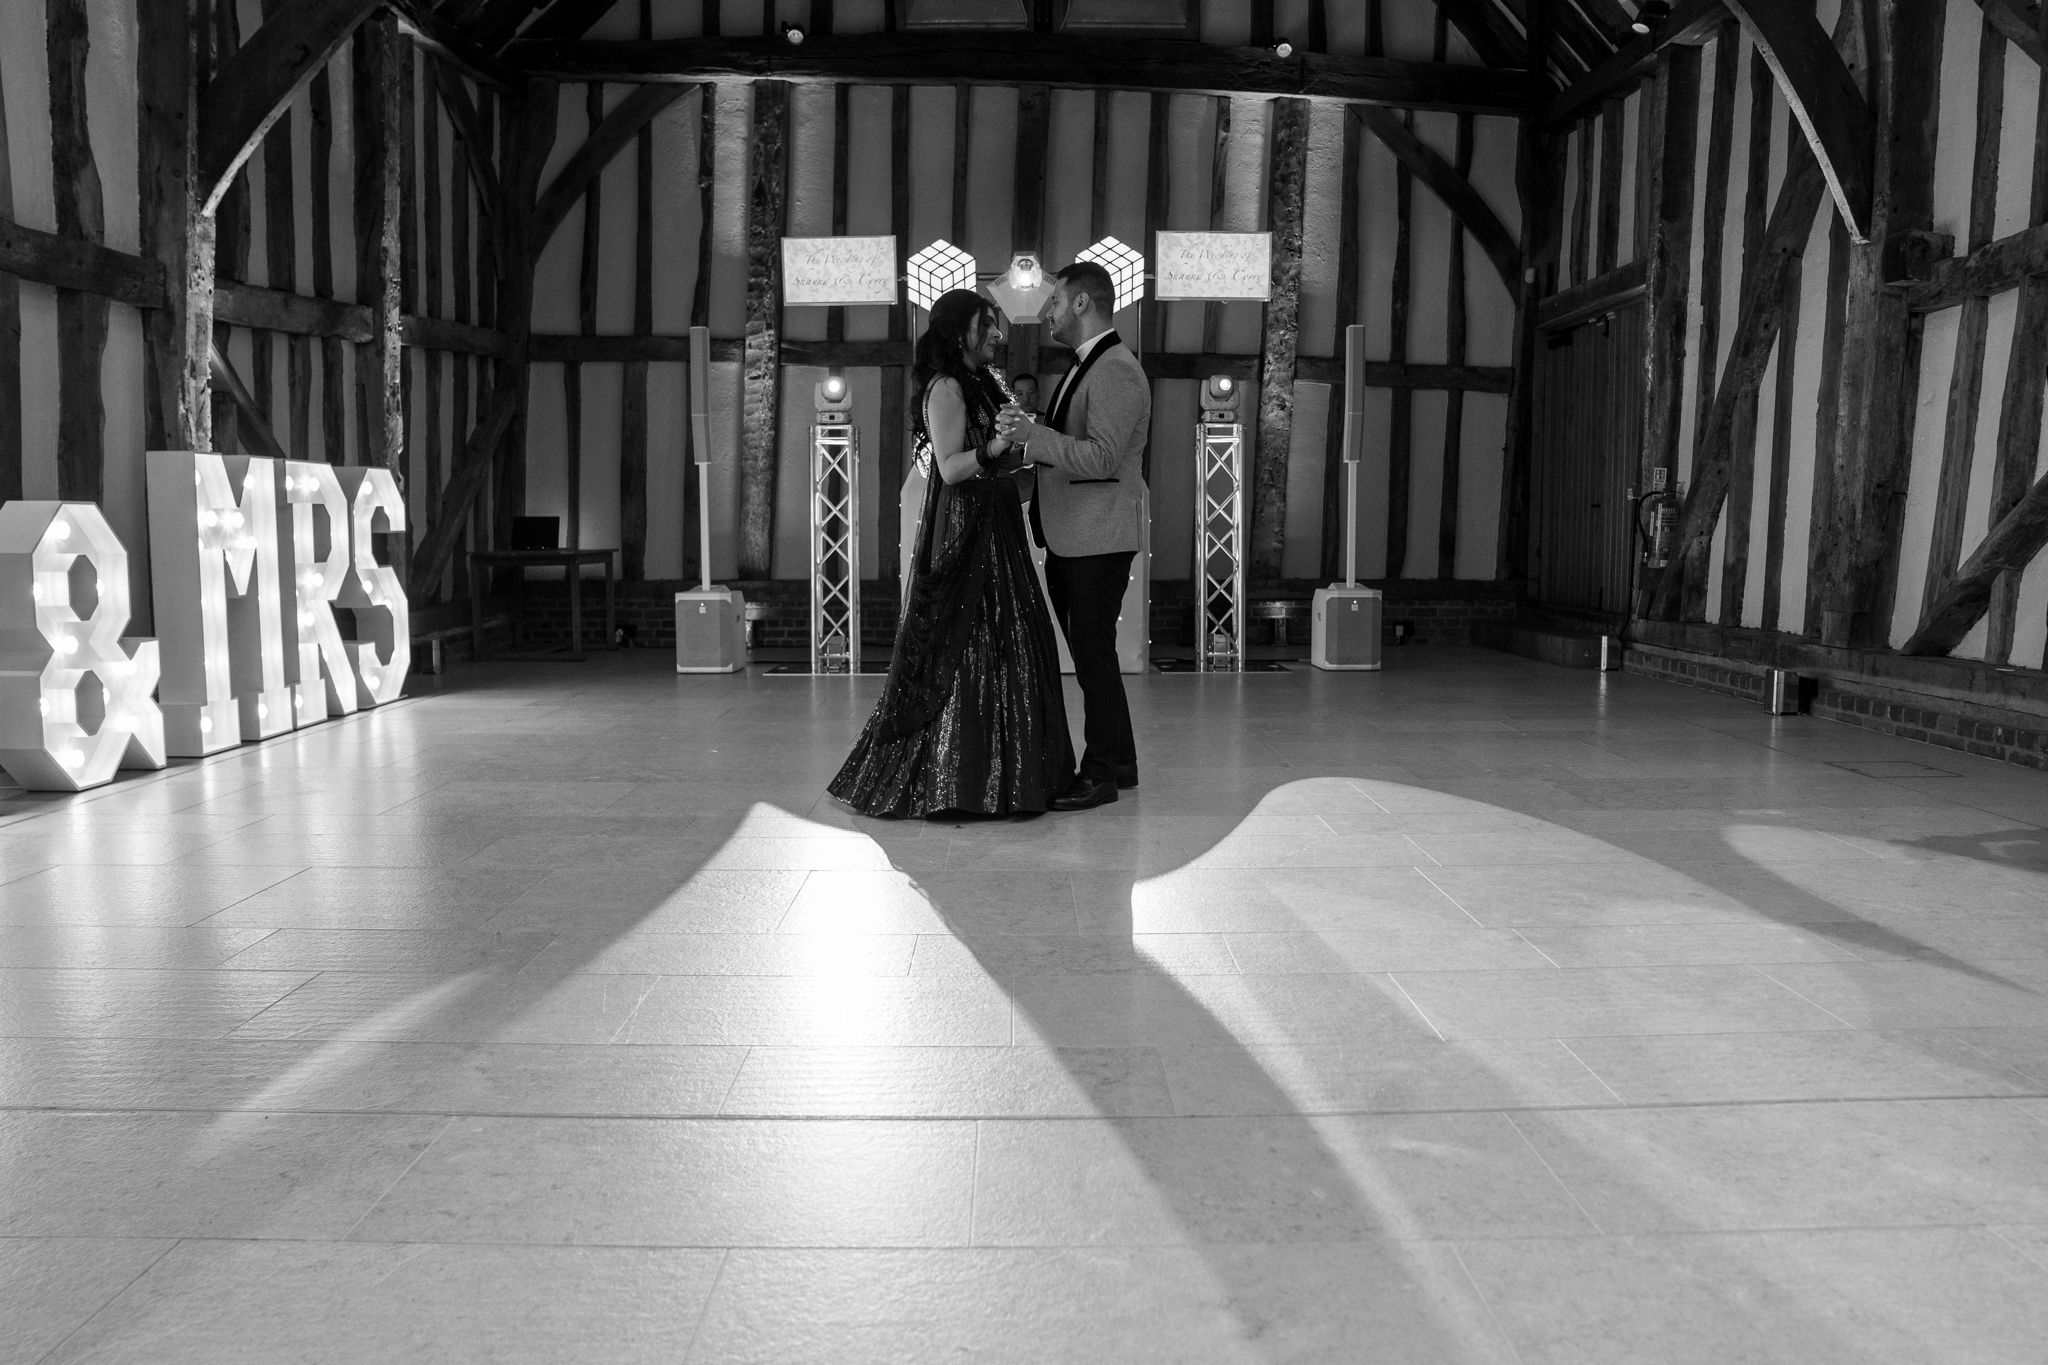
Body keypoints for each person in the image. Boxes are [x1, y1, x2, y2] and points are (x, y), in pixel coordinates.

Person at [828, 290, 1075, 819]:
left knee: (1018, 640)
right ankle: (958, 782)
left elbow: (997, 455)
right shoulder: (945, 388)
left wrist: (1024, 457)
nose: (997, 336)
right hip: (966, 529)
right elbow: (949, 468)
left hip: (997, 525)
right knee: (966, 641)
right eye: (987, 326)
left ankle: (1017, 777)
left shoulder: (986, 381)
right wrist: (994, 449)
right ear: (959, 331)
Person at [997, 261, 1151, 813]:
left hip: (1097, 537)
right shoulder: (1086, 365)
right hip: (1074, 534)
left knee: (1092, 658)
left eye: (1057, 300)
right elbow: (1070, 448)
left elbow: (1104, 457)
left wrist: (1036, 437)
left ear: (1084, 303)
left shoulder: (1114, 370)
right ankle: (1124, 761)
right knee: (1094, 656)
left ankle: (1101, 772)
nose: (1049, 311)